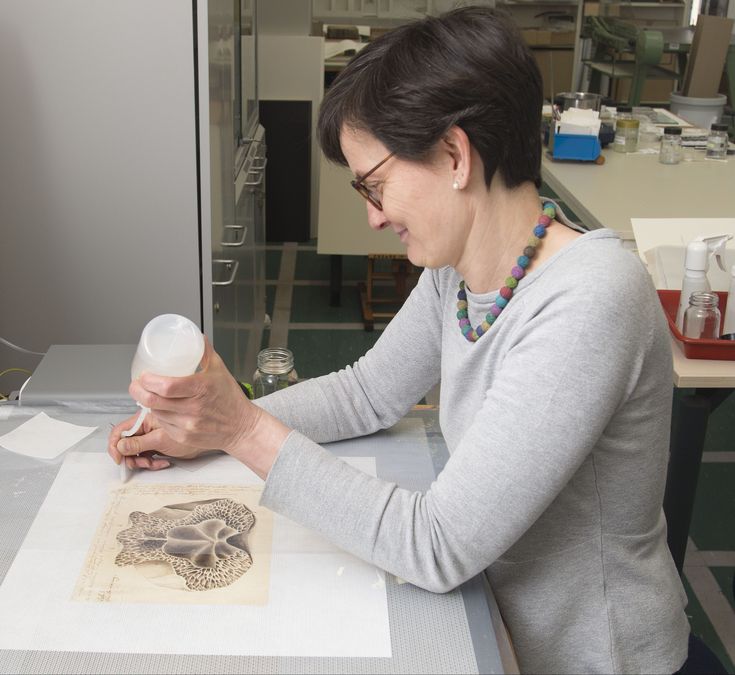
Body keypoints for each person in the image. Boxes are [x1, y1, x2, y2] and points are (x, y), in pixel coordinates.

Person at [109, 7, 692, 673]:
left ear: (452, 154)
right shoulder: (465, 269)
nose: (372, 214)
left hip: (586, 659)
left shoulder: (590, 297)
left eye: (376, 185)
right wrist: (205, 428)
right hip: (494, 622)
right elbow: (367, 393)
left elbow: (437, 544)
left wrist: (242, 427)